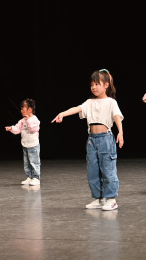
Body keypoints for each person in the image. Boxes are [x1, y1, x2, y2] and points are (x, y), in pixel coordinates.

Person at [51, 69, 124, 210]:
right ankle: (99, 198)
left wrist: (120, 132)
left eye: (97, 84)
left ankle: (111, 199)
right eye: (92, 85)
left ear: (106, 85)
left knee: (108, 170)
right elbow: (77, 108)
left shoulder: (111, 102)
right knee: (92, 171)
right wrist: (62, 114)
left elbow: (117, 116)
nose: (94, 87)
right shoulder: (90, 102)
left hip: (105, 139)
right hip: (92, 140)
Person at [5, 99, 41, 185]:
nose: (21, 110)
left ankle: (36, 178)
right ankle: (29, 177)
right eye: (21, 109)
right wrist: (11, 128)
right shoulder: (22, 120)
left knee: (34, 162)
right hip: (25, 145)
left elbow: (33, 129)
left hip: (33, 145)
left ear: (30, 109)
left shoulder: (34, 119)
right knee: (27, 163)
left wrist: (28, 121)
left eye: (22, 108)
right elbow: (17, 129)